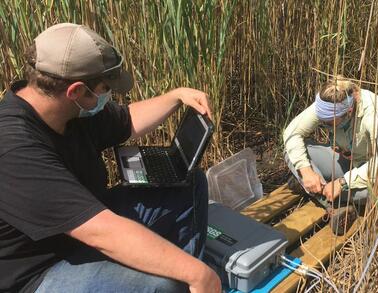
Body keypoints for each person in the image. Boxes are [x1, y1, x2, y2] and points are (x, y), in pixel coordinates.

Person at [0, 23, 220, 293]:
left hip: (84, 228)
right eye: (105, 88)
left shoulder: (67, 110)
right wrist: (198, 274)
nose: (108, 95)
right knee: (158, 286)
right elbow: (101, 231)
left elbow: (127, 120)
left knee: (190, 183)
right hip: (38, 273)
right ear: (76, 91)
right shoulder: (14, 149)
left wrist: (176, 96)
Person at [283, 76, 378, 234]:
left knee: (375, 193)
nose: (324, 125)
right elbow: (292, 133)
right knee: (291, 152)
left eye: (329, 122)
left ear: (349, 112)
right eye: (321, 121)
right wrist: (306, 170)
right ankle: (330, 203)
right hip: (343, 161)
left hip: (366, 172)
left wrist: (343, 182)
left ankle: (313, 188)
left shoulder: (374, 111)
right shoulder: (328, 102)